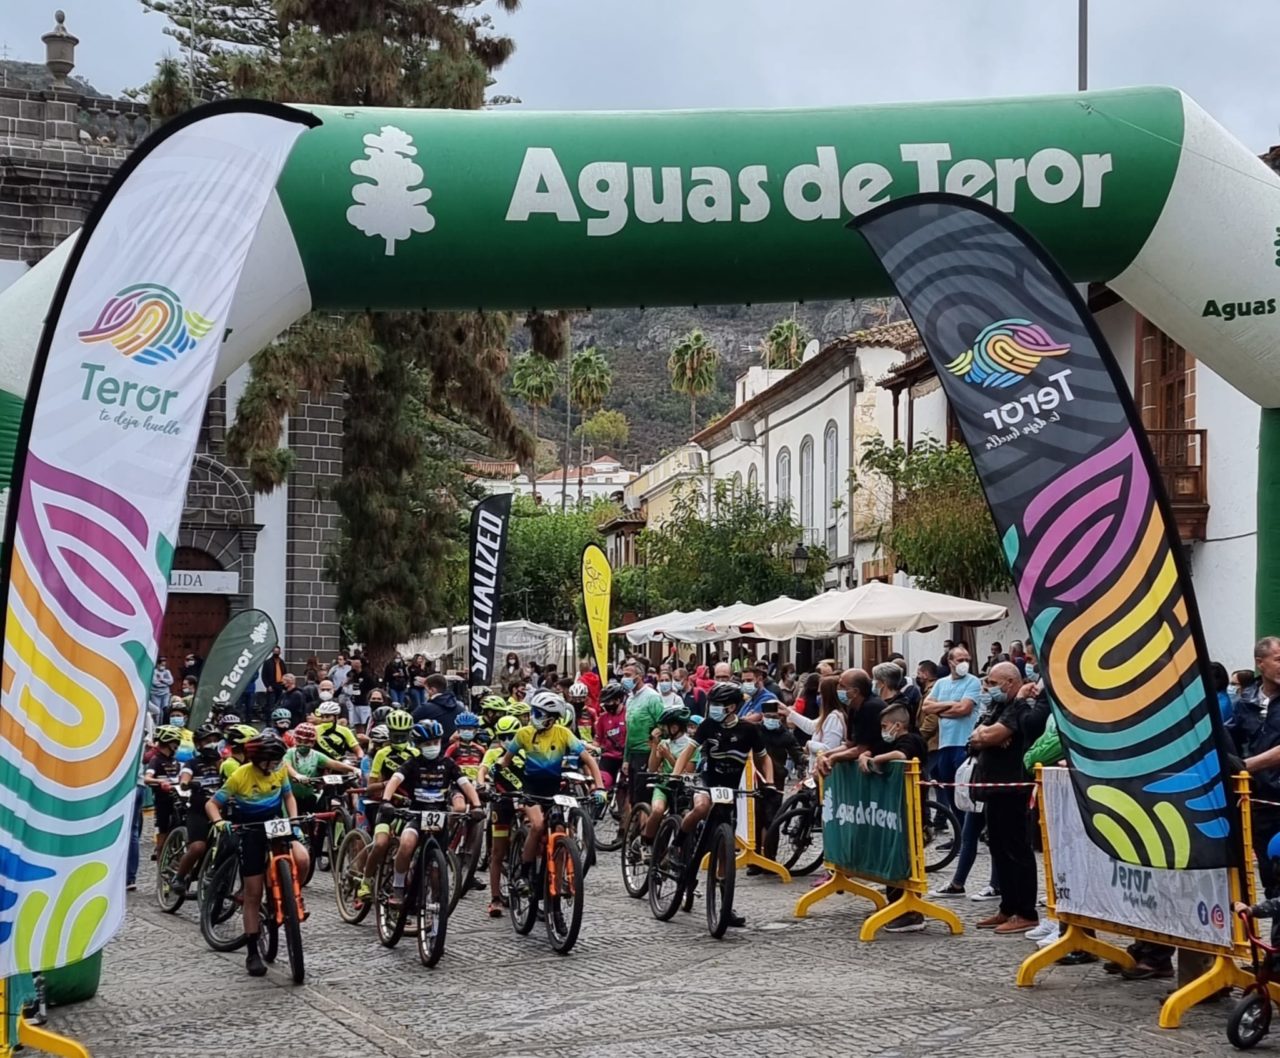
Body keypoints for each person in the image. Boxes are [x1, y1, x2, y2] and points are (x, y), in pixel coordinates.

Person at [206, 729, 309, 977]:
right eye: (271, 762)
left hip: (276, 823)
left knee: (303, 857)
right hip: (250, 830)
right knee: (253, 892)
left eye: (277, 762)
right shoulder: (240, 776)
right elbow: (212, 804)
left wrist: (294, 821)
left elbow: (288, 795)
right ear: (258, 761)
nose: (275, 766)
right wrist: (219, 822)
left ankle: (292, 896)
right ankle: (253, 952)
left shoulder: (281, 769)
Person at [671, 682, 772, 928]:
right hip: (707, 780)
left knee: (726, 849)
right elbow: (688, 752)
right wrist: (676, 774)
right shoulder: (707, 726)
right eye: (711, 704)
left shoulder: (749, 730)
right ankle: (678, 842)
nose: (713, 709)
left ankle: (725, 903)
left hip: (730, 789)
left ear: (732, 707)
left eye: (717, 705)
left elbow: (763, 758)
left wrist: (768, 782)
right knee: (702, 807)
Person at [494, 692, 604, 896]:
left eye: (537, 713)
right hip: (531, 788)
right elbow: (506, 759)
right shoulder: (524, 734)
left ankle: (559, 878)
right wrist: (498, 767)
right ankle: (523, 874)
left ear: (551, 718)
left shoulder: (563, 733)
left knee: (560, 829)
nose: (533, 716)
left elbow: (588, 760)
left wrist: (599, 787)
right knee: (536, 825)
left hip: (556, 787)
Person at [380, 719, 482, 905]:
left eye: (435, 743)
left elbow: (465, 784)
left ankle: (435, 905)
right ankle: (398, 887)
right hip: (417, 814)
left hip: (440, 816)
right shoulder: (413, 763)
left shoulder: (448, 764)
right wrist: (386, 800)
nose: (432, 747)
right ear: (419, 745)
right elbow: (395, 779)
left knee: (437, 867)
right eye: (427, 744)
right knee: (407, 844)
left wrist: (476, 806)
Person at [970, 662, 1038, 934]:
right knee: (997, 847)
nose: (987, 688)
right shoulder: (998, 707)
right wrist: (987, 737)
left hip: (1014, 787)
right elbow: (976, 735)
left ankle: (1026, 911)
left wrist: (993, 735)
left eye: (992, 683)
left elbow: (996, 733)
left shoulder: (1023, 706)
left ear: (1011, 682)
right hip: (992, 787)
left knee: (1017, 849)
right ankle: (1007, 907)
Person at [920, 645, 982, 810]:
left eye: (967, 660)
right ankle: (958, 830)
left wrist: (940, 710)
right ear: (950, 662)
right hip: (944, 744)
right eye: (960, 660)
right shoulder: (941, 683)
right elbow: (926, 707)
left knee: (963, 793)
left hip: (964, 744)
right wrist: (951, 704)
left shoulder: (973, 681)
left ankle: (966, 831)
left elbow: (964, 709)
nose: (965, 663)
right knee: (948, 790)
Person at [477, 713, 526, 917]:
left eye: (511, 736)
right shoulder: (493, 752)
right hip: (501, 803)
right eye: (503, 736)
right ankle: (495, 898)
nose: (507, 741)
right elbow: (482, 770)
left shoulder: (526, 752)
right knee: (497, 852)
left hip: (523, 802)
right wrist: (481, 784)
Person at [813, 669, 886, 776]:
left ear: (855, 692)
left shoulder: (871, 707)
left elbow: (861, 749)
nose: (838, 689)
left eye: (842, 686)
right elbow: (849, 744)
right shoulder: (853, 707)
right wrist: (825, 755)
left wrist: (834, 758)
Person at [641, 703, 694, 845]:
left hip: (683, 788)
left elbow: (687, 771)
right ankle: (645, 843)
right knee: (657, 810)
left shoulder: (692, 745)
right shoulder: (664, 743)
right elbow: (652, 768)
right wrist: (654, 745)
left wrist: (669, 756)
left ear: (675, 727)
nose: (663, 729)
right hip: (663, 785)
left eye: (665, 726)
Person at [284, 722, 357, 818]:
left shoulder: (316, 755)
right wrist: (297, 775)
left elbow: (333, 763)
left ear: (313, 742)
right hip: (290, 796)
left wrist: (353, 769)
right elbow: (286, 766)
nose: (302, 744)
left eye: (306, 742)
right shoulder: (290, 753)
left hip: (309, 796)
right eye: (299, 741)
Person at [621, 660, 665, 815]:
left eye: (627, 675)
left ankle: (645, 833)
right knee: (633, 797)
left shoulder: (652, 697)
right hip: (632, 752)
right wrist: (626, 758)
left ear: (639, 676)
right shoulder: (630, 698)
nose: (624, 678)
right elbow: (629, 730)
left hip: (647, 752)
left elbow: (663, 724)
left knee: (643, 797)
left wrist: (656, 741)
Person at [784, 675, 846, 773]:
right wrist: (788, 712)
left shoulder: (833, 718)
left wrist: (809, 745)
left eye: (820, 693)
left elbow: (830, 748)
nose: (818, 697)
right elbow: (811, 726)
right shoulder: (827, 716)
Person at [143, 726, 184, 859]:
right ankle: (160, 854)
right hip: (163, 800)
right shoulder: (156, 760)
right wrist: (160, 782)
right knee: (163, 827)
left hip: (178, 798)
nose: (177, 745)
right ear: (167, 742)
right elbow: (147, 778)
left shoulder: (176, 761)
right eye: (175, 742)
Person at [594, 683, 627, 790]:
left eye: (608, 702)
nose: (606, 705)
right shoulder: (602, 719)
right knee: (602, 785)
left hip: (626, 758)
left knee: (624, 791)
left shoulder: (628, 714)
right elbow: (597, 741)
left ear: (618, 700)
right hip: (608, 758)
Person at [413, 673, 463, 741]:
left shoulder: (425, 708)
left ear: (432, 690)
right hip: (455, 748)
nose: (425, 693)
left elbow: (411, 723)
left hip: (432, 746)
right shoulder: (460, 707)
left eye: (426, 689)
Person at [149, 656, 174, 722]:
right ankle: (156, 725)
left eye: (164, 665)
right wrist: (165, 683)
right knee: (157, 710)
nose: (163, 666)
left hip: (165, 693)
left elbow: (171, 681)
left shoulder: (167, 672)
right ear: (158, 664)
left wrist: (162, 680)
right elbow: (155, 683)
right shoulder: (154, 672)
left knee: (165, 709)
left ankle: (163, 723)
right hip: (155, 693)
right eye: (162, 665)